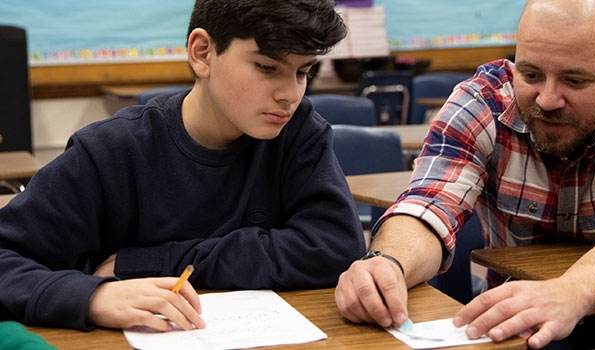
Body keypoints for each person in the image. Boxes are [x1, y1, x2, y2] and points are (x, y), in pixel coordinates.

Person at [335, 0, 595, 348]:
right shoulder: (483, 102)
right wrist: (387, 263)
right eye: (531, 74)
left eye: (574, 81)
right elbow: (429, 203)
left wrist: (570, 291)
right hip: (519, 324)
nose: (546, 99)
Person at [0, 0, 366, 332]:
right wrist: (91, 297)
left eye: (303, 72)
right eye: (267, 67)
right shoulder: (109, 151)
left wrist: (154, 261)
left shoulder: (299, 131)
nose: (290, 94)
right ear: (202, 53)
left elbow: (335, 247)